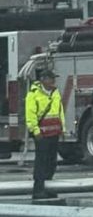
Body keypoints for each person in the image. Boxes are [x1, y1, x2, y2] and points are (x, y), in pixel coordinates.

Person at [25, 63, 65, 201]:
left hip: (54, 133)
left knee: (51, 162)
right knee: (41, 162)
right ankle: (39, 189)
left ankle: (49, 188)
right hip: (41, 135)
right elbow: (30, 114)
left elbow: (59, 112)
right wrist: (35, 131)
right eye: (51, 78)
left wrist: (62, 128)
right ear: (43, 79)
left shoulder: (55, 92)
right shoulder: (33, 94)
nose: (53, 81)